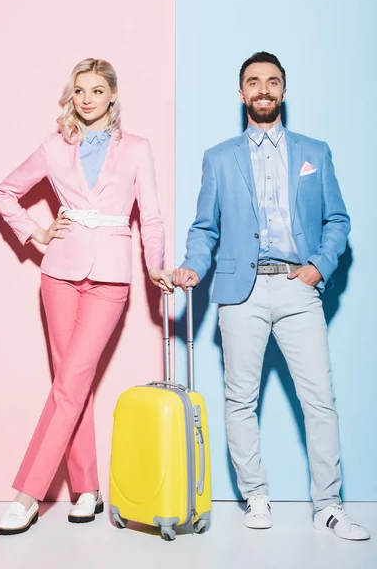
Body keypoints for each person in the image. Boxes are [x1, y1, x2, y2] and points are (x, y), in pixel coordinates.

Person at [172, 51, 370, 540]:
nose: (264, 89)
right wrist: (193, 269)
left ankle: (329, 505)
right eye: (254, 82)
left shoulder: (314, 153)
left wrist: (319, 267)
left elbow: (338, 220)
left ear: (284, 91)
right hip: (242, 290)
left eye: (273, 81)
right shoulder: (218, 157)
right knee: (241, 399)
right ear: (241, 94)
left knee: (320, 400)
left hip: (298, 287)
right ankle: (255, 496)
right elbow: (204, 227)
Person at [0, 58, 174, 535]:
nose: (88, 98)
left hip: (111, 277)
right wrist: (35, 232)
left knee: (71, 381)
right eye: (80, 91)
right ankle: (88, 489)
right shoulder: (54, 147)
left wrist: (155, 263)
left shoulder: (136, 148)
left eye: (97, 90)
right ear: (71, 96)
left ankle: (28, 495)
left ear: (113, 95)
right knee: (71, 385)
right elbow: (4, 193)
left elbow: (151, 217)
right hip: (59, 274)